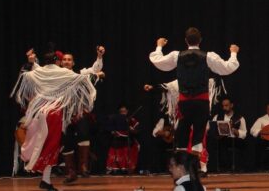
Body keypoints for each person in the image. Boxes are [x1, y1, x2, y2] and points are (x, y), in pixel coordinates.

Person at [11, 45, 100, 191]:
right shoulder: (62, 73)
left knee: (46, 145)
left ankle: (45, 180)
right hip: (53, 114)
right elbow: (82, 79)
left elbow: (25, 74)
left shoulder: (39, 72)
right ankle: (44, 178)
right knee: (51, 147)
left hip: (40, 112)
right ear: (56, 61)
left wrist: (30, 62)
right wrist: (97, 75)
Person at [149, 27, 239, 155]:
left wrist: (159, 46)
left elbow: (158, 62)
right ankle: (195, 162)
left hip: (184, 101)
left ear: (186, 40)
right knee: (198, 133)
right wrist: (233, 53)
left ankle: (183, 158)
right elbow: (228, 68)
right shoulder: (208, 56)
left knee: (183, 129)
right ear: (200, 40)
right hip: (201, 100)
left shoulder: (177, 56)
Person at [59, 46, 105, 182]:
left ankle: (83, 165)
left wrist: (99, 56)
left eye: (69, 60)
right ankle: (70, 171)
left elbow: (95, 69)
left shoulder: (80, 74)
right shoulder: (55, 76)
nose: (67, 62)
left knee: (84, 133)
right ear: (61, 63)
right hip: (63, 113)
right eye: (64, 60)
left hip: (79, 111)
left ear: (73, 63)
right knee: (66, 141)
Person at [209, 97, 247, 172]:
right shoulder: (217, 117)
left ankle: (233, 167)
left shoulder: (240, 118)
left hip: (235, 140)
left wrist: (236, 131)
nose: (224, 108)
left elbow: (244, 133)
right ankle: (221, 167)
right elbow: (212, 129)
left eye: (226, 105)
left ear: (231, 105)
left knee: (230, 142)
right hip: (221, 140)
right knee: (219, 143)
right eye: (223, 106)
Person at [105, 104, 140, 174]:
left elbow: (137, 131)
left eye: (125, 111)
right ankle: (114, 168)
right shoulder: (114, 118)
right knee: (114, 150)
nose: (123, 112)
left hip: (127, 141)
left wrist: (131, 129)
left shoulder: (131, 119)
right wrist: (113, 131)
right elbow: (109, 128)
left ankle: (127, 168)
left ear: (127, 111)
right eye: (121, 111)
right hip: (117, 140)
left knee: (132, 148)